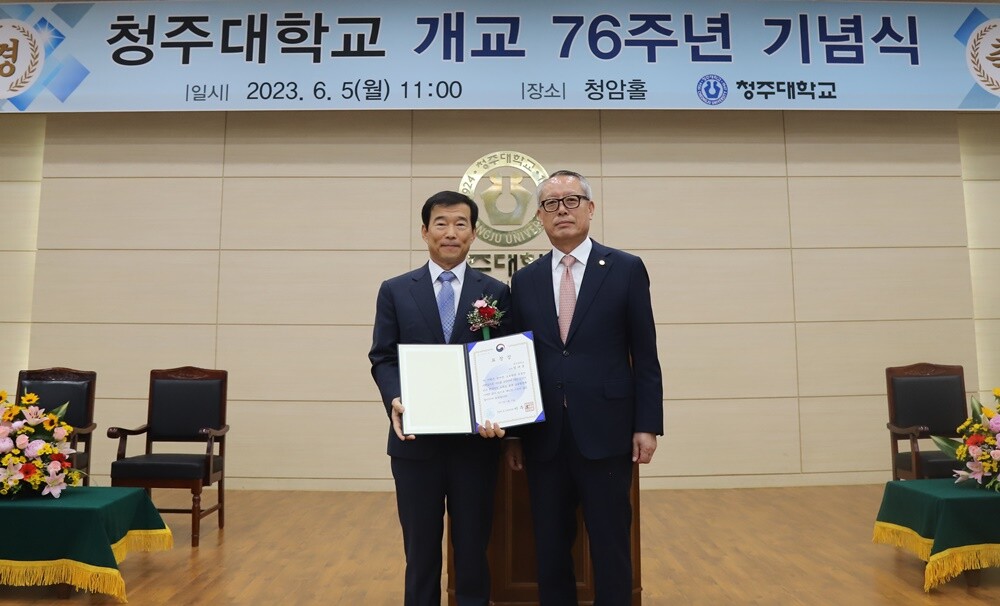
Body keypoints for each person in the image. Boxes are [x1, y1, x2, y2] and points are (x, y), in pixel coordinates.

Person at [505, 170, 663, 605]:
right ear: (540, 217)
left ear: (590, 209)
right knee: (550, 544)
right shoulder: (526, 279)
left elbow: (645, 353)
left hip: (607, 431)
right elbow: (517, 362)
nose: (562, 210)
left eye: (572, 200)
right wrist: (514, 433)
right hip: (544, 436)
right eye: (551, 204)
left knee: (611, 541)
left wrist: (647, 424)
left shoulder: (625, 269)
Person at [369, 190, 511, 606]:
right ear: (425, 231)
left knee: (473, 552)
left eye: (461, 224)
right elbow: (382, 357)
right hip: (416, 445)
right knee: (420, 554)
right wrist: (395, 398)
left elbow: (503, 361)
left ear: (474, 233)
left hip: (475, 445)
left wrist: (501, 412)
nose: (451, 232)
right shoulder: (396, 290)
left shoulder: (496, 292)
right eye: (441, 223)